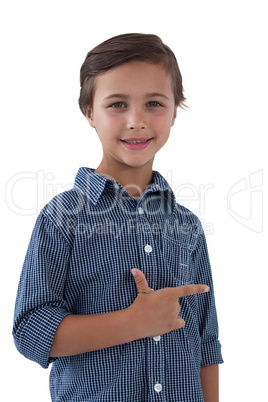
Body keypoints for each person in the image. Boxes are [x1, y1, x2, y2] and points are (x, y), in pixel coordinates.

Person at [13, 33, 223, 401]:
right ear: (90, 112)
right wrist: (134, 323)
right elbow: (31, 331)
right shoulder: (63, 218)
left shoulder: (186, 225)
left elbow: (206, 342)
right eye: (118, 105)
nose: (136, 121)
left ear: (176, 110)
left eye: (154, 103)